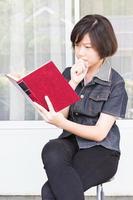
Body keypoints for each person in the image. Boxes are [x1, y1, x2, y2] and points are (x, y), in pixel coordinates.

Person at [34, 14, 128, 200]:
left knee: (49, 193)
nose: (80, 53)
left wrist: (62, 122)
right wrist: (73, 83)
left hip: (102, 150)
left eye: (87, 47)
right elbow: (61, 116)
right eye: (77, 45)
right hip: (71, 143)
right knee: (51, 149)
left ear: (104, 47)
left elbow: (99, 133)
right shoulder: (69, 74)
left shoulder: (115, 83)